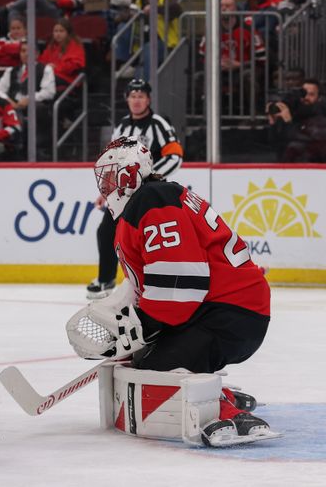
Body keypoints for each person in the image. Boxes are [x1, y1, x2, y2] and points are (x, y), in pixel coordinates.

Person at [69, 136, 275, 447]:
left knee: (157, 366)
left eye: (110, 176)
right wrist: (130, 319)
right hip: (219, 308)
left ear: (129, 174)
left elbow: (180, 282)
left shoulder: (153, 201)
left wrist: (142, 326)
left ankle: (225, 411)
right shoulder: (149, 201)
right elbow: (151, 280)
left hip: (228, 313)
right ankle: (215, 391)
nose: (106, 185)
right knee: (144, 361)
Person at [86, 79, 182, 299]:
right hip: (125, 193)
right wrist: (105, 192)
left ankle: (153, 282)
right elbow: (112, 162)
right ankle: (105, 280)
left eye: (141, 96)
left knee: (147, 237)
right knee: (107, 231)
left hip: (150, 192)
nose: (136, 100)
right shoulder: (122, 126)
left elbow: (175, 156)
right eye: (133, 96)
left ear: (148, 99)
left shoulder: (159, 124)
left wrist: (150, 178)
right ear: (127, 99)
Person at [266, 78, 326, 162]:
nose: (306, 97)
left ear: (319, 98)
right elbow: (274, 146)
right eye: (303, 94)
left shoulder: (321, 117)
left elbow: (302, 144)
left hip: (312, 168)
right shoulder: (294, 113)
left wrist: (288, 122)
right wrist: (273, 123)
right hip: (286, 168)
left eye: (311, 94)